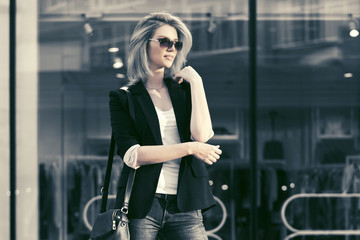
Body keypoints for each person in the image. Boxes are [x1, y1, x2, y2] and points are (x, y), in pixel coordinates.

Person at [109, 12, 222, 240]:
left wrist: (196, 83)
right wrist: (189, 148)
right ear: (144, 44)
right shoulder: (124, 97)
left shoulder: (185, 90)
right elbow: (133, 155)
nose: (172, 48)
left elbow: (201, 135)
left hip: (186, 204)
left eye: (176, 44)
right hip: (143, 205)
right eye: (164, 41)